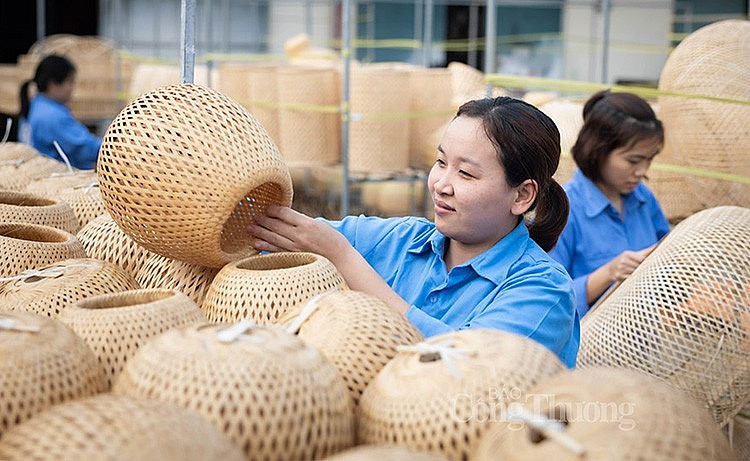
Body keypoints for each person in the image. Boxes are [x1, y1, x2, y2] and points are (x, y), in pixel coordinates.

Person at [249, 96, 579, 368]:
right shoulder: (402, 240)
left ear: (521, 195)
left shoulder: (543, 289)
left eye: (465, 173)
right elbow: (287, 235)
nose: (440, 185)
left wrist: (343, 258)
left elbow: (468, 367)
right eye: (440, 162)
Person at [549, 90, 670, 317]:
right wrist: (608, 273)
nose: (642, 171)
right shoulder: (564, 209)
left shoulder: (644, 199)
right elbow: (547, 297)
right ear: (598, 150)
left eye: (649, 159)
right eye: (633, 160)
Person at [18, 54, 101, 170]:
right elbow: (83, 147)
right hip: (55, 179)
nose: (72, 88)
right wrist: (115, 147)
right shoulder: (52, 116)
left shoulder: (35, 105)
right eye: (70, 82)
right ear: (53, 84)